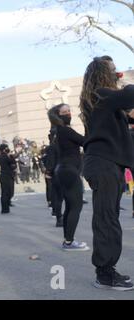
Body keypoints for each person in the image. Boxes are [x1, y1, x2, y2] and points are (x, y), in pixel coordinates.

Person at [80, 56, 134, 290]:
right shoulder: (101, 94)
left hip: (108, 164)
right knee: (106, 220)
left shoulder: (104, 100)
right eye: (113, 69)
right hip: (102, 164)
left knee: (109, 218)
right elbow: (130, 94)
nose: (117, 72)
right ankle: (104, 273)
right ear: (103, 73)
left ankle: (107, 270)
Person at [48, 104, 88, 251]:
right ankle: (69, 242)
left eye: (69, 111)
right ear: (58, 116)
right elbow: (86, 141)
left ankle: (68, 240)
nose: (69, 114)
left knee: (70, 206)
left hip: (63, 171)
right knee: (76, 207)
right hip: (69, 171)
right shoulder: (65, 130)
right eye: (64, 112)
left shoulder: (57, 131)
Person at [0, 144, 16, 214]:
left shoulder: (4, 156)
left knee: (7, 192)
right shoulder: (4, 156)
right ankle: (5, 208)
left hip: (6, 176)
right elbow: (12, 162)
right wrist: (11, 156)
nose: (8, 149)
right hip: (6, 176)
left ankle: (6, 207)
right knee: (6, 193)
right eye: (6, 148)